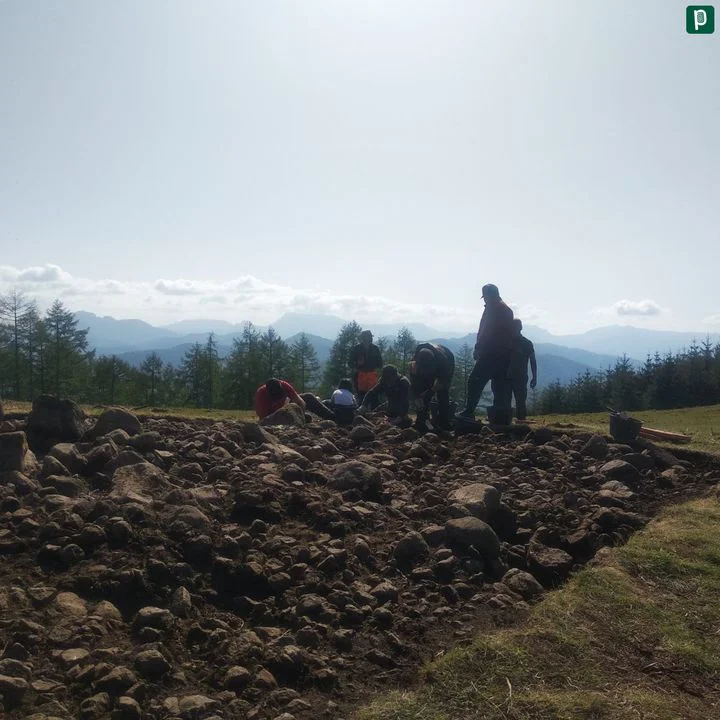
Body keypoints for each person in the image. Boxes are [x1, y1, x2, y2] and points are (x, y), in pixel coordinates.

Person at [458, 284, 515, 420]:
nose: (484, 300)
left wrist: (478, 347)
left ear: (489, 296)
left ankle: (469, 411)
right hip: (505, 354)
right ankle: (500, 416)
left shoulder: (493, 308)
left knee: (475, 380)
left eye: (485, 297)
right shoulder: (507, 309)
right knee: (499, 385)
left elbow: (486, 330)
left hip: (491, 352)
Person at [492, 319, 537, 422]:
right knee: (508, 402)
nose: (514, 329)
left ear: (520, 328)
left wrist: (534, 377)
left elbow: (533, 361)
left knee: (519, 402)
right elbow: (533, 361)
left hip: (519, 377)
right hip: (507, 377)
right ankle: (509, 422)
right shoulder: (508, 342)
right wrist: (534, 377)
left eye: (515, 327)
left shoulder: (525, 343)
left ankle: (519, 423)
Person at [409, 343, 455, 432]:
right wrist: (417, 398)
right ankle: (422, 420)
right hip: (428, 365)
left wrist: (431, 391)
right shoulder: (415, 361)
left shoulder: (443, 363)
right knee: (421, 393)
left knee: (443, 393)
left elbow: (443, 382)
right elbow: (413, 383)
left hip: (447, 360)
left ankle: (443, 421)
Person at [349, 330, 383, 403]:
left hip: (372, 375)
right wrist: (357, 366)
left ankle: (373, 409)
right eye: (365, 337)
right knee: (361, 396)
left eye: (369, 337)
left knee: (373, 395)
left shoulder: (375, 349)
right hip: (360, 375)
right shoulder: (356, 349)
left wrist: (375, 369)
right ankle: (362, 409)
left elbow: (380, 363)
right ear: (362, 338)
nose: (368, 339)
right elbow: (350, 363)